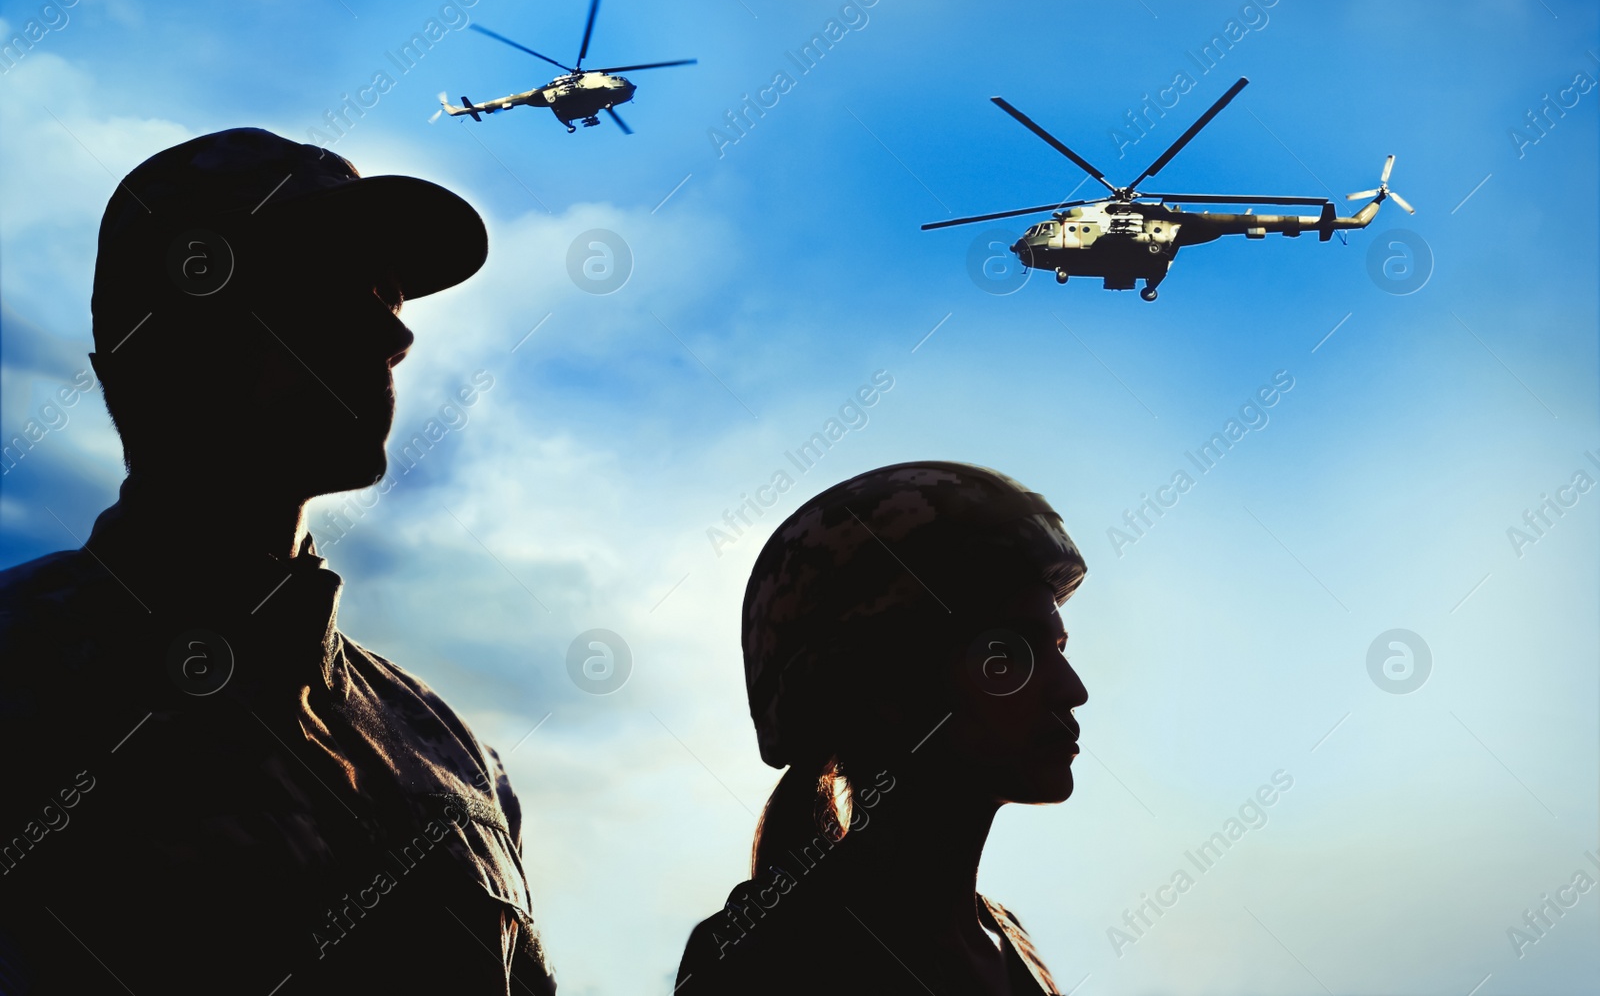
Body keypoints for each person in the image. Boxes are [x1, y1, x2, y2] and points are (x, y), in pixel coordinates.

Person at [0, 129, 556, 994]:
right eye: (328, 280)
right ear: (172, 328)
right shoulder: (20, 670)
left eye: (392, 292)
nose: (391, 331)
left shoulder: (450, 751)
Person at [676, 461, 1089, 994]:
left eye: (1056, 650)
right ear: (886, 689)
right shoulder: (769, 959)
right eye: (1008, 653)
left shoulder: (1014, 949)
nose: (1072, 690)